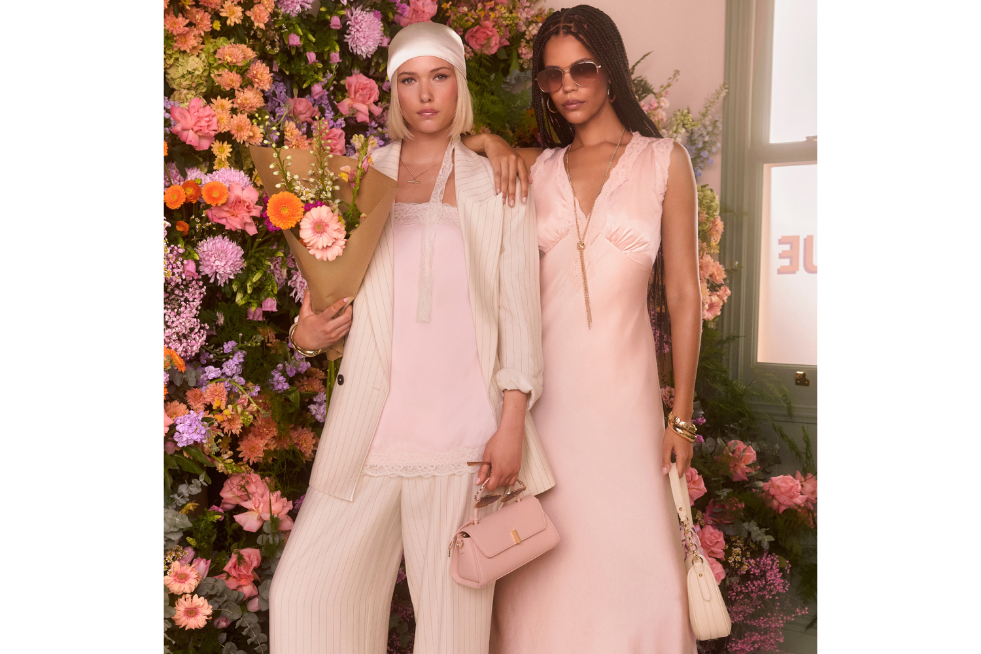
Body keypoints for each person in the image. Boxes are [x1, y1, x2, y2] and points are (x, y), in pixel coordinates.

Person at [268, 22, 555, 654]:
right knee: (304, 597)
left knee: (452, 638)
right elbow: (316, 296)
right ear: (393, 92)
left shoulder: (495, 182)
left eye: (440, 77)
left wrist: (510, 422)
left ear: (459, 86)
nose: (425, 95)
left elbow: (519, 316)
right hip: (367, 436)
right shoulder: (355, 177)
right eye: (408, 80)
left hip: (466, 446)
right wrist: (305, 333)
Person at [463, 5, 703, 652]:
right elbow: (434, 150)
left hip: (626, 412)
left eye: (581, 69)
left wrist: (678, 415)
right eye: (550, 75)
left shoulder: (662, 162)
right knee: (543, 575)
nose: (566, 85)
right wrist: (485, 141)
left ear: (610, 73)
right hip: (543, 410)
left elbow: (683, 292)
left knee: (634, 571)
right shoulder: (531, 170)